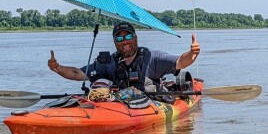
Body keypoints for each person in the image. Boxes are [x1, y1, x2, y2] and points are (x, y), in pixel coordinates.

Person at [48, 22, 200, 92]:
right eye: (119, 39)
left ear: (135, 37)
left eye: (128, 36)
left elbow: (181, 62)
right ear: (115, 42)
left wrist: (192, 54)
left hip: (151, 104)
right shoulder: (108, 62)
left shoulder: (151, 58)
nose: (125, 41)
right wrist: (58, 68)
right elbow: (78, 74)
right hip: (120, 107)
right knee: (99, 85)